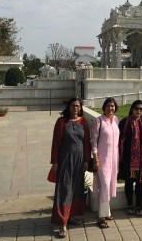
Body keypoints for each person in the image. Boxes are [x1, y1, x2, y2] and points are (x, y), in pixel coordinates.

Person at [50, 97, 91, 238]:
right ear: (68, 107)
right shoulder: (61, 122)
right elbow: (55, 143)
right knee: (65, 190)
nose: (76, 108)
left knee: (76, 189)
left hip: (79, 162)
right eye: (73, 106)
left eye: (78, 106)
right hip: (65, 161)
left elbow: (86, 142)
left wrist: (87, 160)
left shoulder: (83, 122)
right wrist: (55, 162)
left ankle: (71, 216)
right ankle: (63, 223)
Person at [90, 97, 120, 229]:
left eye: (112, 106)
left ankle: (106, 212)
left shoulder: (116, 120)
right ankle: (101, 217)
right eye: (108, 106)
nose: (110, 108)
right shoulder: (99, 121)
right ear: (104, 107)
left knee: (108, 185)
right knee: (104, 186)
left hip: (113, 160)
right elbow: (93, 142)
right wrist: (95, 159)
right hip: (102, 160)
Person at [118, 99, 142, 217]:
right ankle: (130, 205)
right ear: (132, 109)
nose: (139, 111)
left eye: (141, 109)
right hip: (128, 159)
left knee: (140, 183)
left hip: (141, 160)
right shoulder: (125, 122)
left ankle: (138, 206)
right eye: (137, 108)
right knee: (129, 182)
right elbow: (120, 139)